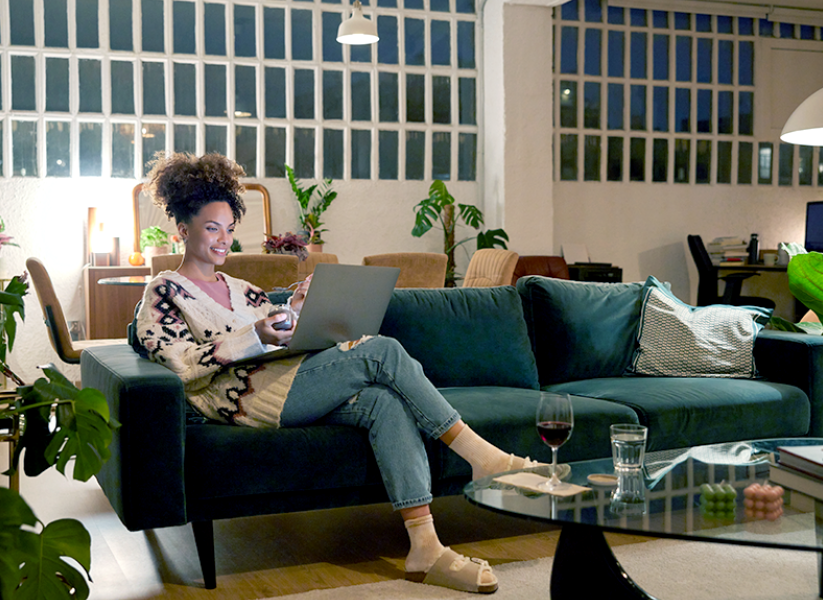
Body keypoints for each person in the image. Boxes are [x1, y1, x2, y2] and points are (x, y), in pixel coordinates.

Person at [134, 152, 544, 594]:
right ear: (183, 229)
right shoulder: (164, 291)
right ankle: (483, 458)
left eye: (229, 229)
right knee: (380, 352)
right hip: (247, 401)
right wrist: (254, 336)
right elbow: (179, 364)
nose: (223, 239)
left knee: (383, 403)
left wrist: (298, 309)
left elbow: (281, 331)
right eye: (212, 227)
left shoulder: (243, 289)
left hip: (291, 381)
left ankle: (424, 547)